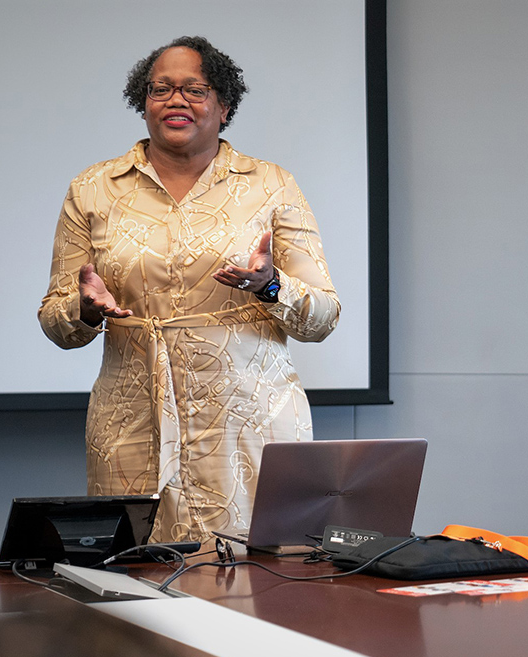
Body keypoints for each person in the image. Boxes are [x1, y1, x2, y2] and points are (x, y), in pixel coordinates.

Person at [38, 36, 340, 545]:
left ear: (224, 107)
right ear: (144, 103)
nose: (176, 100)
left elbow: (323, 317)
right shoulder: (93, 189)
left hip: (246, 422)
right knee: (137, 585)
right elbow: (55, 320)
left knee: (259, 583)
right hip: (132, 422)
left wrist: (270, 285)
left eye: (195, 90)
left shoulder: (271, 185)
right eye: (161, 89)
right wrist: (85, 310)